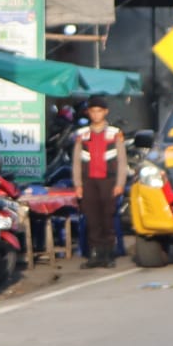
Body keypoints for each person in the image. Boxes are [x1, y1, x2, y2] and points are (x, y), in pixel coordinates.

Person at [73, 97, 128, 269]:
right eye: (92, 111)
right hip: (89, 181)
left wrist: (120, 183)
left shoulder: (115, 133)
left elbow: (121, 160)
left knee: (108, 217)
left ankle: (108, 253)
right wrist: (78, 185)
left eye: (99, 111)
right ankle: (95, 254)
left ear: (105, 112)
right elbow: (76, 161)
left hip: (108, 181)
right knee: (91, 218)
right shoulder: (82, 134)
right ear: (88, 113)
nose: (96, 115)